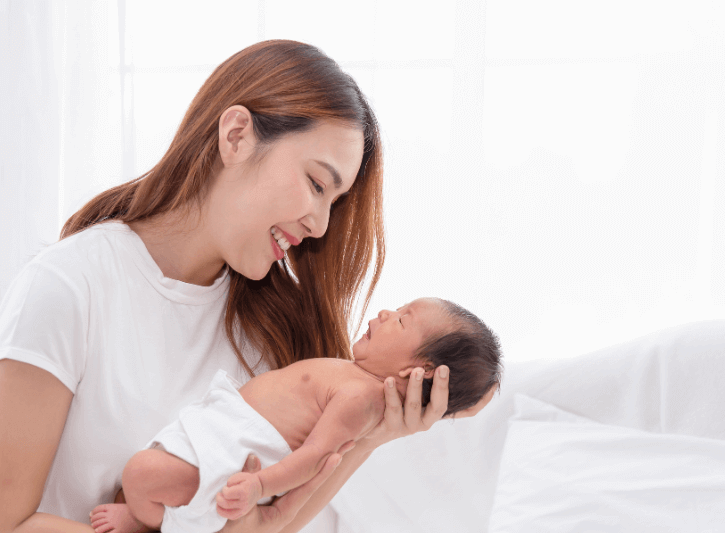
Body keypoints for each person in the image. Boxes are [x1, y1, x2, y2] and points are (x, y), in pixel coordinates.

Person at [0, 40, 496, 533]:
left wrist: (373, 435)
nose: (321, 226)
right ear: (236, 136)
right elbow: (9, 519)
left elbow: (260, 527)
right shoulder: (70, 285)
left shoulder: (275, 333)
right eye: (318, 184)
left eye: (334, 203)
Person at [88, 297, 503, 533]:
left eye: (401, 320)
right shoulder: (352, 376)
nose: (383, 313)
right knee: (144, 473)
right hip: (221, 434)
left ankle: (148, 523)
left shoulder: (361, 399)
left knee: (142, 474)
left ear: (421, 371)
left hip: (235, 466)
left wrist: (258, 486)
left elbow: (315, 460)